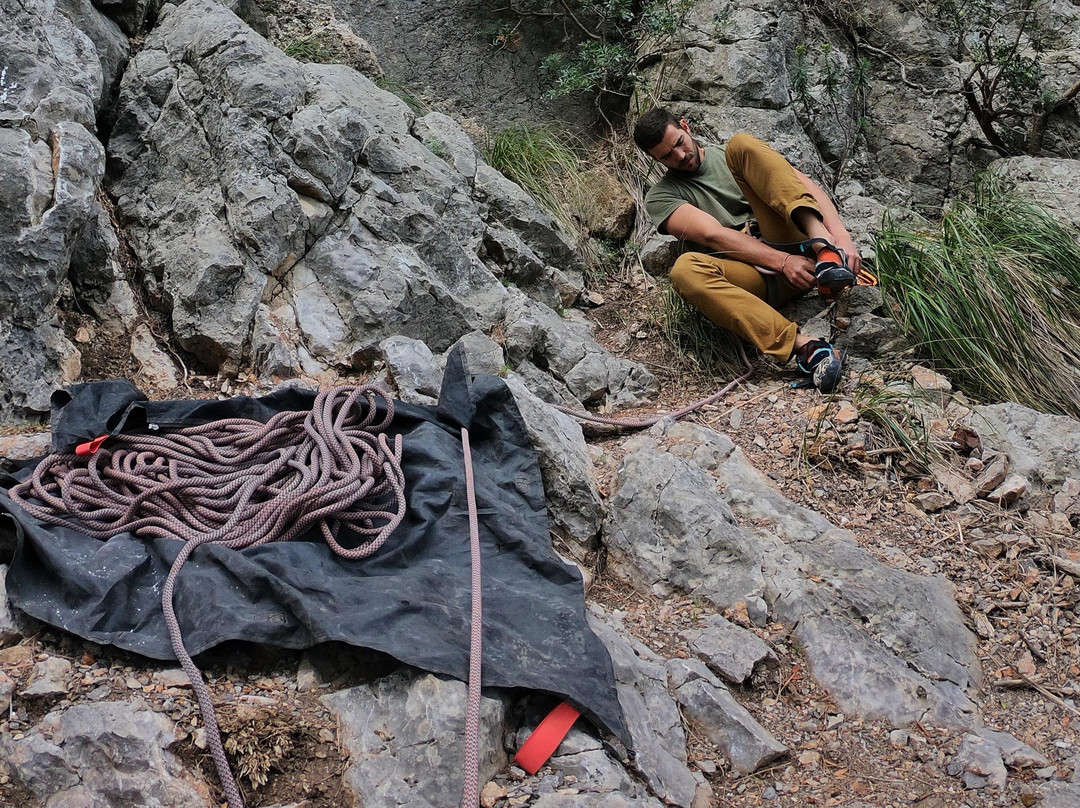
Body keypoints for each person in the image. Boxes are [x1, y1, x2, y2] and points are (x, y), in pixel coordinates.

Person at [633, 107, 861, 392]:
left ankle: (826, 253)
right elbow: (713, 235)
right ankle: (806, 348)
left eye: (679, 143)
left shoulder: (735, 158)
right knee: (685, 270)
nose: (680, 156)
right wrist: (783, 262)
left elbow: (803, 185)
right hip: (756, 277)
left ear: (685, 126)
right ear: (655, 160)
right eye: (667, 156)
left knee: (741, 144)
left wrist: (841, 239)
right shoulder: (661, 196)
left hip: (795, 243)